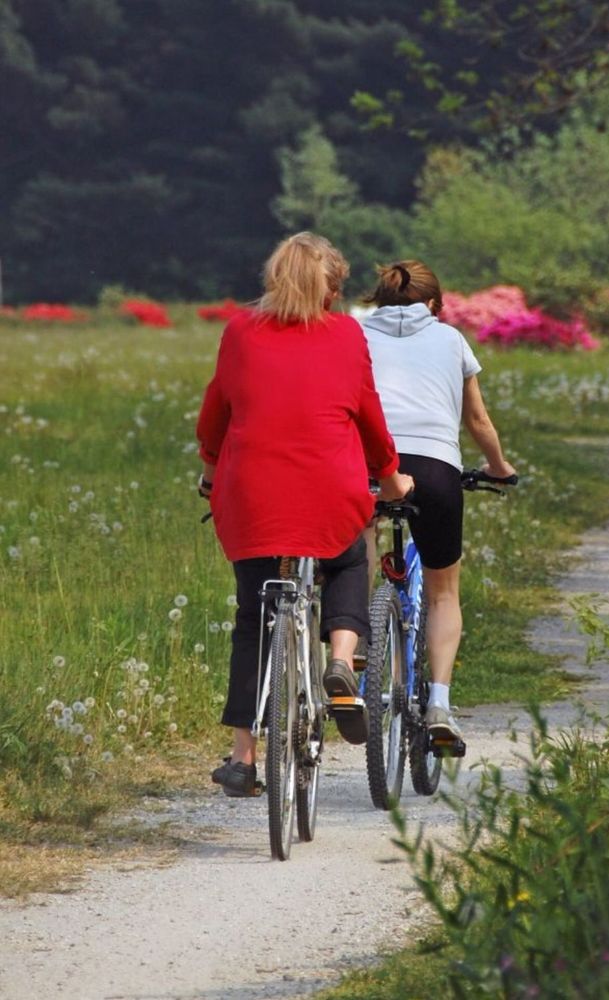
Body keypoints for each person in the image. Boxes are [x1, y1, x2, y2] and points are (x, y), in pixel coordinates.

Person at [196, 233, 413, 796]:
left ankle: (243, 756)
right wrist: (392, 479)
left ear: (273, 280)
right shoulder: (346, 333)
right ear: (333, 287)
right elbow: (368, 416)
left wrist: (213, 469)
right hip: (329, 490)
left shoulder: (239, 331)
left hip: (250, 495)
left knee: (253, 618)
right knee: (345, 562)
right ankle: (341, 662)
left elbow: (217, 411)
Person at [361, 260, 516, 744]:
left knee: (360, 537)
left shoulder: (356, 334)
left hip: (369, 462)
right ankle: (440, 706)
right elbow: (477, 421)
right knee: (444, 590)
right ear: (434, 304)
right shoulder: (451, 340)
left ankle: (361, 628)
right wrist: (499, 467)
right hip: (435, 467)